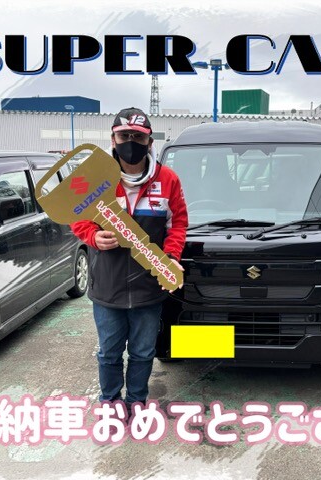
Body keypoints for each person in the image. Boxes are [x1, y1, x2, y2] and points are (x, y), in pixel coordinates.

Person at [70, 107, 187, 415]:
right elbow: (77, 218)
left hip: (149, 288)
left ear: (150, 142)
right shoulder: (95, 179)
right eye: (124, 136)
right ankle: (110, 405)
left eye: (138, 136)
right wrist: (93, 236)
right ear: (113, 139)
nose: (131, 142)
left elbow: (178, 224)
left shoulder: (168, 179)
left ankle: (136, 404)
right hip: (107, 287)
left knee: (143, 353)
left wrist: (171, 257)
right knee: (109, 354)